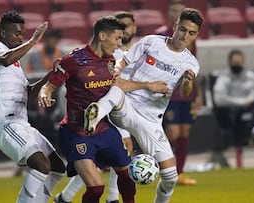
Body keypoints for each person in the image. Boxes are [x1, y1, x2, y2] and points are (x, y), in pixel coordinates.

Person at [84, 8, 203, 203]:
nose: (184, 35)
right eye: (182, 29)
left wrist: (188, 82)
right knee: (116, 89)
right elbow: (125, 60)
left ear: (196, 35)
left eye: (191, 33)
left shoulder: (191, 63)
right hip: (127, 106)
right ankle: (95, 115)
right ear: (175, 26)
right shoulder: (152, 42)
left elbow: (184, 93)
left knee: (170, 176)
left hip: (151, 120)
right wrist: (118, 70)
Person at [38, 16, 136, 203]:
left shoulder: (112, 62)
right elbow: (49, 85)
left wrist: (150, 86)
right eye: (117, 38)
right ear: (102, 35)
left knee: (127, 179)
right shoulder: (73, 60)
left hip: (105, 129)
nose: (119, 44)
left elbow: (121, 86)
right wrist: (44, 94)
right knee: (97, 188)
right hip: (77, 132)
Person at [0, 10, 65, 203]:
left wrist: (50, 74)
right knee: (41, 165)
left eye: (22, 34)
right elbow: (5, 59)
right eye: (17, 33)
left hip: (21, 124)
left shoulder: (17, 62)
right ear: (3, 33)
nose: (21, 37)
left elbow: (29, 92)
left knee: (56, 168)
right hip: (5, 124)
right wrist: (34, 41)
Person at [156, 0, 203, 185]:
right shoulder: (161, 35)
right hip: (168, 93)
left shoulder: (191, 37)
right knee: (172, 132)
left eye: (180, 11)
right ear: (168, 13)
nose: (177, 13)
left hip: (187, 92)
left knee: (184, 131)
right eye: (174, 10)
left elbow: (194, 67)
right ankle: (166, 170)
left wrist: (198, 94)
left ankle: (180, 173)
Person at [213, 49, 254, 166]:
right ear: (229, 62)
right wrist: (241, 102)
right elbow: (219, 99)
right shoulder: (224, 77)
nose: (237, 65)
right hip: (232, 108)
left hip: (251, 107)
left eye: (239, 62)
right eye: (235, 63)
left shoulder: (250, 76)